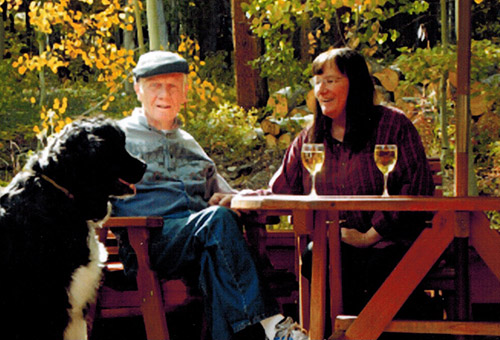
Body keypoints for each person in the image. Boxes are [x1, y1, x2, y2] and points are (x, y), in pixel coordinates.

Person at [112, 50, 309, 340]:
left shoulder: (190, 144)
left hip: (198, 240)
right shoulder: (118, 138)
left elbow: (225, 196)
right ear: (138, 89)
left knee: (214, 257)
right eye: (155, 85)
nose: (164, 94)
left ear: (185, 93)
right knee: (217, 223)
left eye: (173, 86)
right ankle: (272, 324)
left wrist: (230, 199)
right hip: (149, 243)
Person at [268, 47, 435, 315]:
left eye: (331, 81)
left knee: (378, 265)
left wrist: (369, 236)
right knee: (318, 257)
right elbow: (280, 190)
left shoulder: (392, 125)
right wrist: (233, 197)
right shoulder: (310, 138)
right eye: (318, 82)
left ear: (356, 84)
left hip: (393, 243)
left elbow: (418, 190)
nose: (321, 90)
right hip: (335, 246)